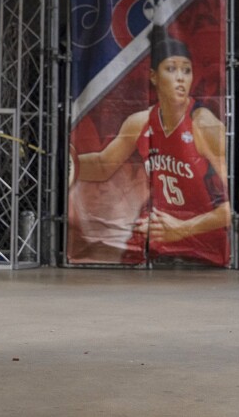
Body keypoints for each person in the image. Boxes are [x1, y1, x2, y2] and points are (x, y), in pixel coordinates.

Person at [71, 24, 230, 265]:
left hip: (204, 250)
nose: (180, 78)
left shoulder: (203, 124)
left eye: (186, 70)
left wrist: (184, 228)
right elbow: (103, 164)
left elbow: (230, 209)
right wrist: (67, 161)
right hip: (164, 248)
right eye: (171, 69)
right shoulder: (141, 122)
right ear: (154, 76)